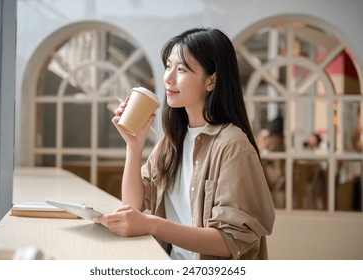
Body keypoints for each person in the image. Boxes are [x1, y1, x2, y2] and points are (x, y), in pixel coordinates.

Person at [94, 27, 275, 260]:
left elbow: (229, 242)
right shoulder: (172, 140)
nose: (168, 78)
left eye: (181, 69)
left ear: (211, 81)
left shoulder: (232, 145)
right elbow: (133, 205)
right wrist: (134, 146)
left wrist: (153, 225)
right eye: (168, 66)